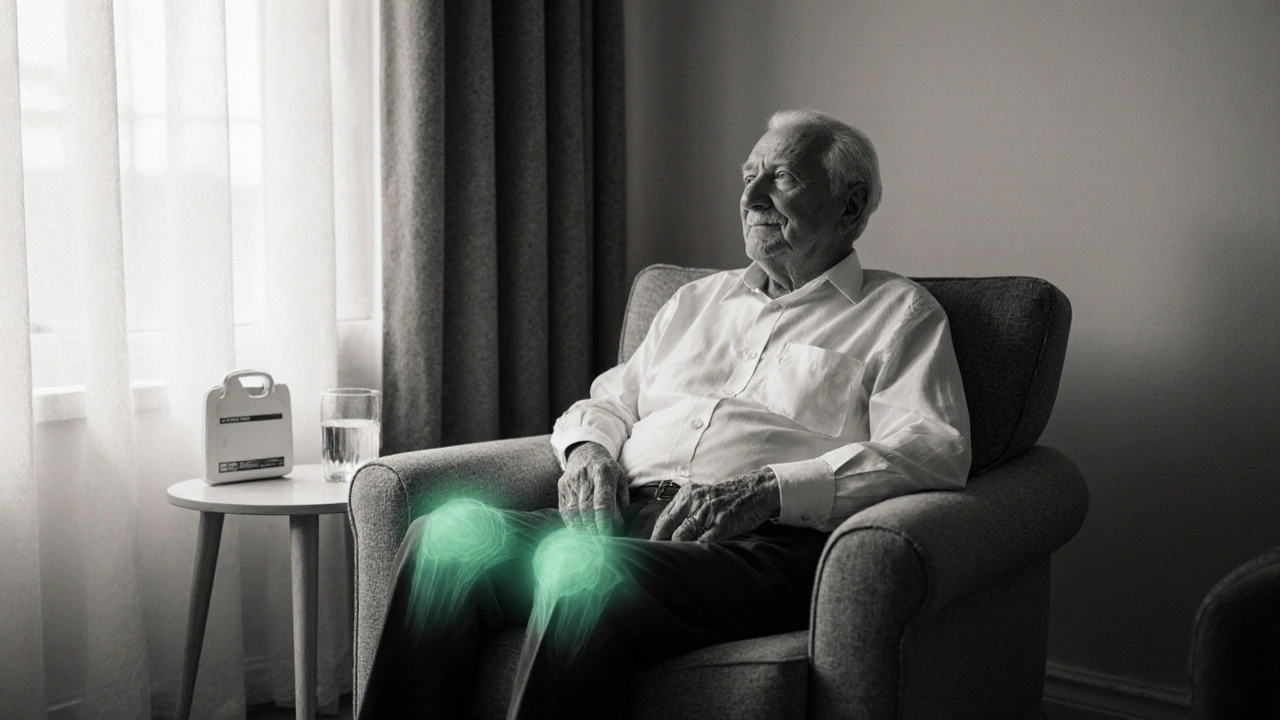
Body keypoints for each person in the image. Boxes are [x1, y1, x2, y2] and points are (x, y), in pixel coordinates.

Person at [357, 109, 972, 719]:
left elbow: (933, 449)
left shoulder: (898, 314)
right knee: (447, 537)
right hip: (623, 520)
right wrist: (589, 452)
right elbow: (610, 401)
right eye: (748, 176)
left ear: (850, 203)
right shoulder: (694, 301)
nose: (751, 196)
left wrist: (767, 489)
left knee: (579, 567)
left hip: (754, 548)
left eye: (781, 177)